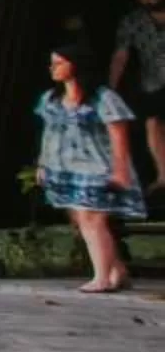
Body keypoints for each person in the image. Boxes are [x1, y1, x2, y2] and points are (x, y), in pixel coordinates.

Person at [40, 42, 143, 293]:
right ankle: (116, 271)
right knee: (80, 219)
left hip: (97, 166)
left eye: (59, 62)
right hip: (63, 166)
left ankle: (102, 277)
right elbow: (48, 133)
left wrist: (120, 169)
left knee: (92, 219)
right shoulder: (52, 99)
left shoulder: (103, 97)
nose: (53, 68)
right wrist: (43, 164)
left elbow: (119, 134)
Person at [109, 0, 165, 192]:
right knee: (153, 123)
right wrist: (111, 87)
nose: (147, 0)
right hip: (153, 82)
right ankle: (163, 176)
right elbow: (121, 54)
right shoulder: (133, 21)